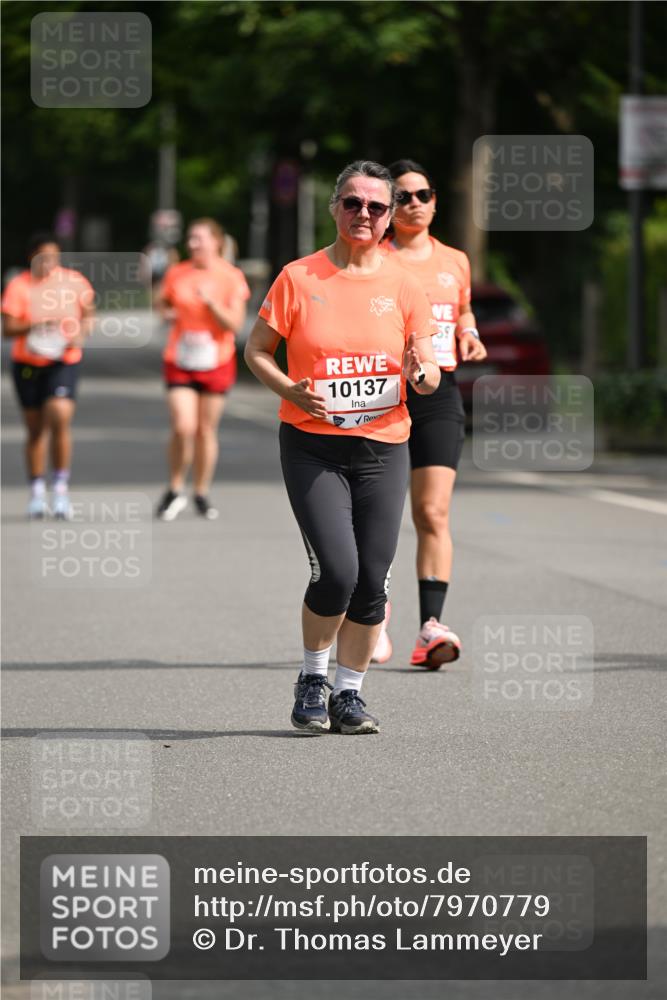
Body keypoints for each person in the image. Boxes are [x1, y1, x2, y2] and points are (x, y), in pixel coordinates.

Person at [244, 160, 440, 735]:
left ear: (389, 218)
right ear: (335, 208)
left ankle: (349, 693)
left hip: (384, 446)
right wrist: (290, 391)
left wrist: (420, 373)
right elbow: (256, 351)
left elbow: (426, 369)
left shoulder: (405, 284)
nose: (364, 214)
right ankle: (313, 676)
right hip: (313, 445)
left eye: (376, 207)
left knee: (373, 578)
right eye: (353, 203)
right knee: (337, 571)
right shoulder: (299, 277)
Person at [372, 159, 488, 669]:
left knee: (432, 512)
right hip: (385, 395)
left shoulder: (456, 260)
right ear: (389, 209)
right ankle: (370, 617)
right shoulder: (376, 259)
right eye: (403, 197)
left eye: (423, 194)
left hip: (440, 394)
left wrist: (469, 331)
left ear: (436, 201)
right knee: (378, 517)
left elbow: (461, 308)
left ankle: (430, 626)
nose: (414, 203)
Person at [156, 218, 250, 521]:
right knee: (183, 425)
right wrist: (167, 312)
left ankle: (200, 491)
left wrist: (212, 306)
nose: (193, 243)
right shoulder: (177, 272)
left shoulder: (231, 277)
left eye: (199, 238)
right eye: (191, 238)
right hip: (180, 357)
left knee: (205, 430)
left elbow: (235, 324)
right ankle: (173, 488)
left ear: (216, 242)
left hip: (216, 359)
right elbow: (160, 303)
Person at [1, 233, 95, 519]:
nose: (49, 263)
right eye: (43, 256)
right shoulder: (19, 286)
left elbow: (89, 313)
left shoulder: (74, 282)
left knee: (59, 416)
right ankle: (37, 491)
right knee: (35, 430)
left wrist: (80, 333)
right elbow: (8, 329)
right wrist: (38, 324)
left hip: (62, 360)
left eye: (54, 256)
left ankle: (61, 488)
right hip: (29, 364)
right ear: (32, 258)